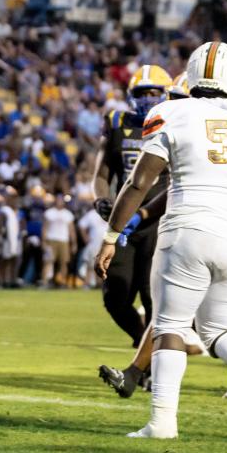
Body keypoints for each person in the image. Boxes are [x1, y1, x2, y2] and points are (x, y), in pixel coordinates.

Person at [95, 41, 227, 439]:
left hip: (188, 230)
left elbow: (141, 182)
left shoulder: (170, 112)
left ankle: (161, 423)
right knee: (218, 330)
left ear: (191, 75)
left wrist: (110, 236)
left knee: (170, 325)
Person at [92, 65, 172, 345]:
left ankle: (149, 366)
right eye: (142, 92)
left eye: (154, 92)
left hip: (158, 220)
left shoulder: (175, 124)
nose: (149, 98)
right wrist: (100, 199)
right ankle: (142, 344)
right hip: (124, 220)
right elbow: (101, 174)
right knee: (115, 294)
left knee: (153, 296)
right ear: (130, 95)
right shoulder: (116, 122)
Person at [42, 194, 76, 288]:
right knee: (48, 261)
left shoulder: (68, 214)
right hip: (51, 239)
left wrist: (73, 243)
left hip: (64, 240)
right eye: (58, 199)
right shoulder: (49, 212)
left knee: (64, 262)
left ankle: (61, 282)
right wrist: (44, 241)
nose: (59, 201)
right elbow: (45, 228)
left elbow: (71, 230)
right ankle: (45, 282)